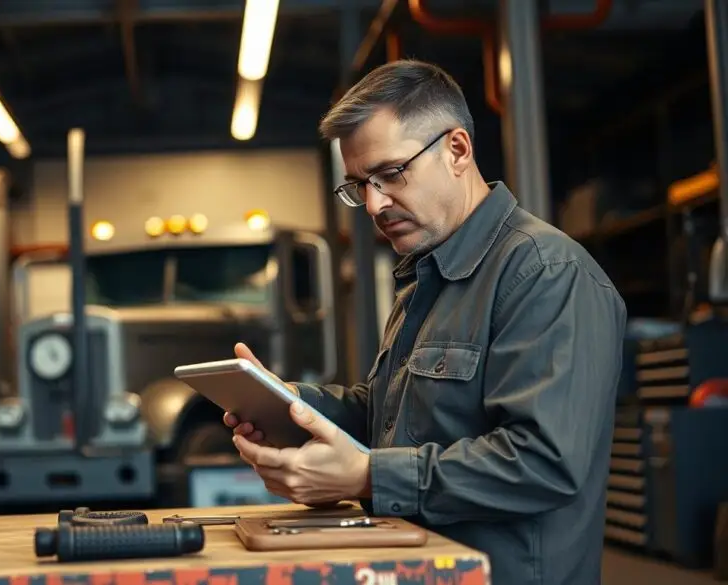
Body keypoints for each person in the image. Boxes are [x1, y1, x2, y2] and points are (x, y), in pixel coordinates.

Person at [224, 60, 627, 585]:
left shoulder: (546, 274)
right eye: (358, 185)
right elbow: (389, 417)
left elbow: (545, 462)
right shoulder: (427, 273)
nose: (373, 204)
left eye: (391, 174)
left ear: (457, 150)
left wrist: (370, 475)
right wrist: (289, 406)